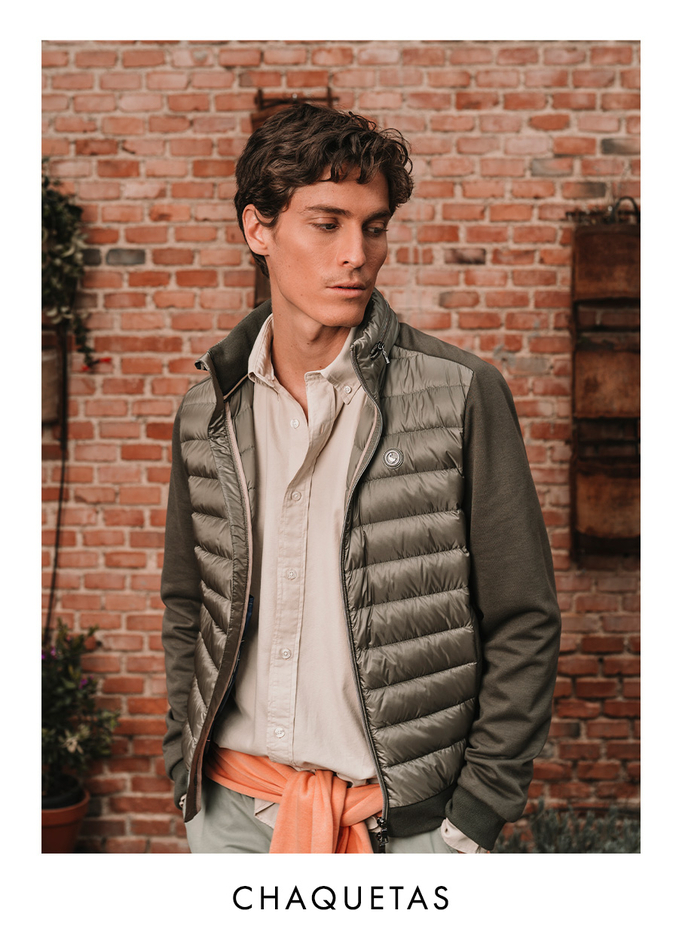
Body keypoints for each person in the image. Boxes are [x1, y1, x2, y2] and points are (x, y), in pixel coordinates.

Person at [161, 103, 561, 854]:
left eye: (374, 227)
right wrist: (184, 765)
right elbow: (190, 600)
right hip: (230, 813)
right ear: (258, 229)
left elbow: (524, 618)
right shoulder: (207, 407)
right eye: (326, 223)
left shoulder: (461, 394)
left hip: (404, 831)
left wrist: (476, 814)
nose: (357, 254)